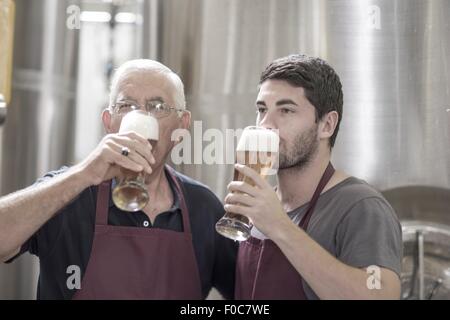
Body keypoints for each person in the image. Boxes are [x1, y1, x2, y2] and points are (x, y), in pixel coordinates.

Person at [0, 59, 237, 300]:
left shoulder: (204, 207)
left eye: (157, 106)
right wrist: (83, 174)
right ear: (109, 122)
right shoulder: (70, 193)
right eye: (127, 105)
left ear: (182, 126)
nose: (143, 118)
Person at [224, 54, 403, 300]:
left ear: (327, 125)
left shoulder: (362, 207)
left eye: (286, 110)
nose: (266, 124)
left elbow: (379, 295)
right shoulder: (255, 209)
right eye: (262, 110)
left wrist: (280, 227)